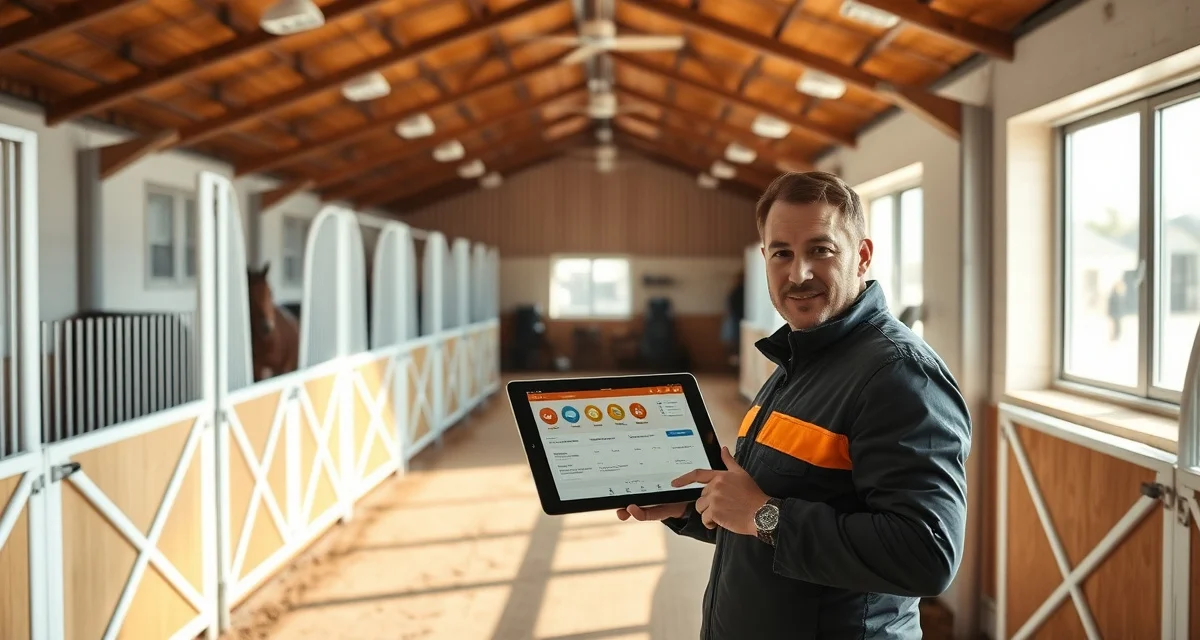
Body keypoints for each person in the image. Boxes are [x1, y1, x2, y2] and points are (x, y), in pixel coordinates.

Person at [616, 171, 971, 639]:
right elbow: (763, 517)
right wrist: (691, 507)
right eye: (782, 252)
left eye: (821, 250)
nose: (798, 273)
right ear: (765, 259)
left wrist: (764, 515)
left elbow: (926, 555)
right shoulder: (798, 358)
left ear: (861, 256)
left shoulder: (899, 375)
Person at [720, 271, 745, 366]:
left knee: (734, 347)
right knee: (735, 347)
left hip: (733, 321)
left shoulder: (735, 290)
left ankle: (735, 364)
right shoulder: (738, 291)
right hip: (735, 321)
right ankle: (735, 364)